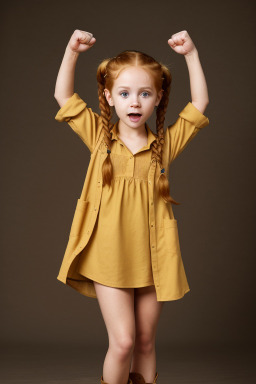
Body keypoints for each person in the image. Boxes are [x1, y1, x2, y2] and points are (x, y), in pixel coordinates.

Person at [54, 29, 210, 384]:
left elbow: (199, 103)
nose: (134, 103)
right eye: (124, 94)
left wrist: (191, 54)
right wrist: (71, 51)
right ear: (109, 97)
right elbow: (63, 95)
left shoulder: (164, 146)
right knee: (122, 342)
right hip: (109, 256)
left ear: (158, 98)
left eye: (144, 93)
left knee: (144, 340)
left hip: (154, 258)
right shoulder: (99, 138)